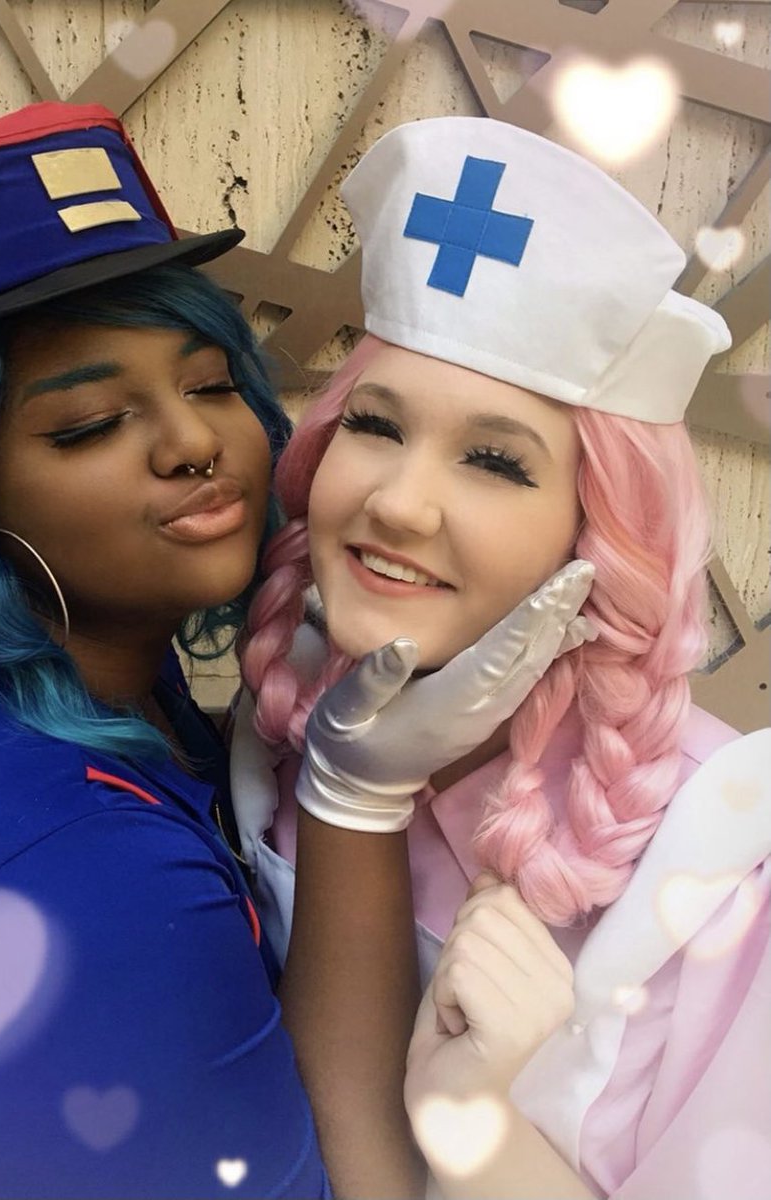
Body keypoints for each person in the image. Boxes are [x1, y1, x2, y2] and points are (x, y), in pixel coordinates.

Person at [0, 103, 593, 1200]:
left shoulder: (49, 660)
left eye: (210, 383)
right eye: (90, 423)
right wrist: (354, 803)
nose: (191, 443)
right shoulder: (76, 887)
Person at [235, 116, 771, 1200]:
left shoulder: (719, 869)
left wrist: (481, 1127)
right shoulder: (278, 734)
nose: (397, 504)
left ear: (599, 530)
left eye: (493, 461)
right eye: (375, 426)